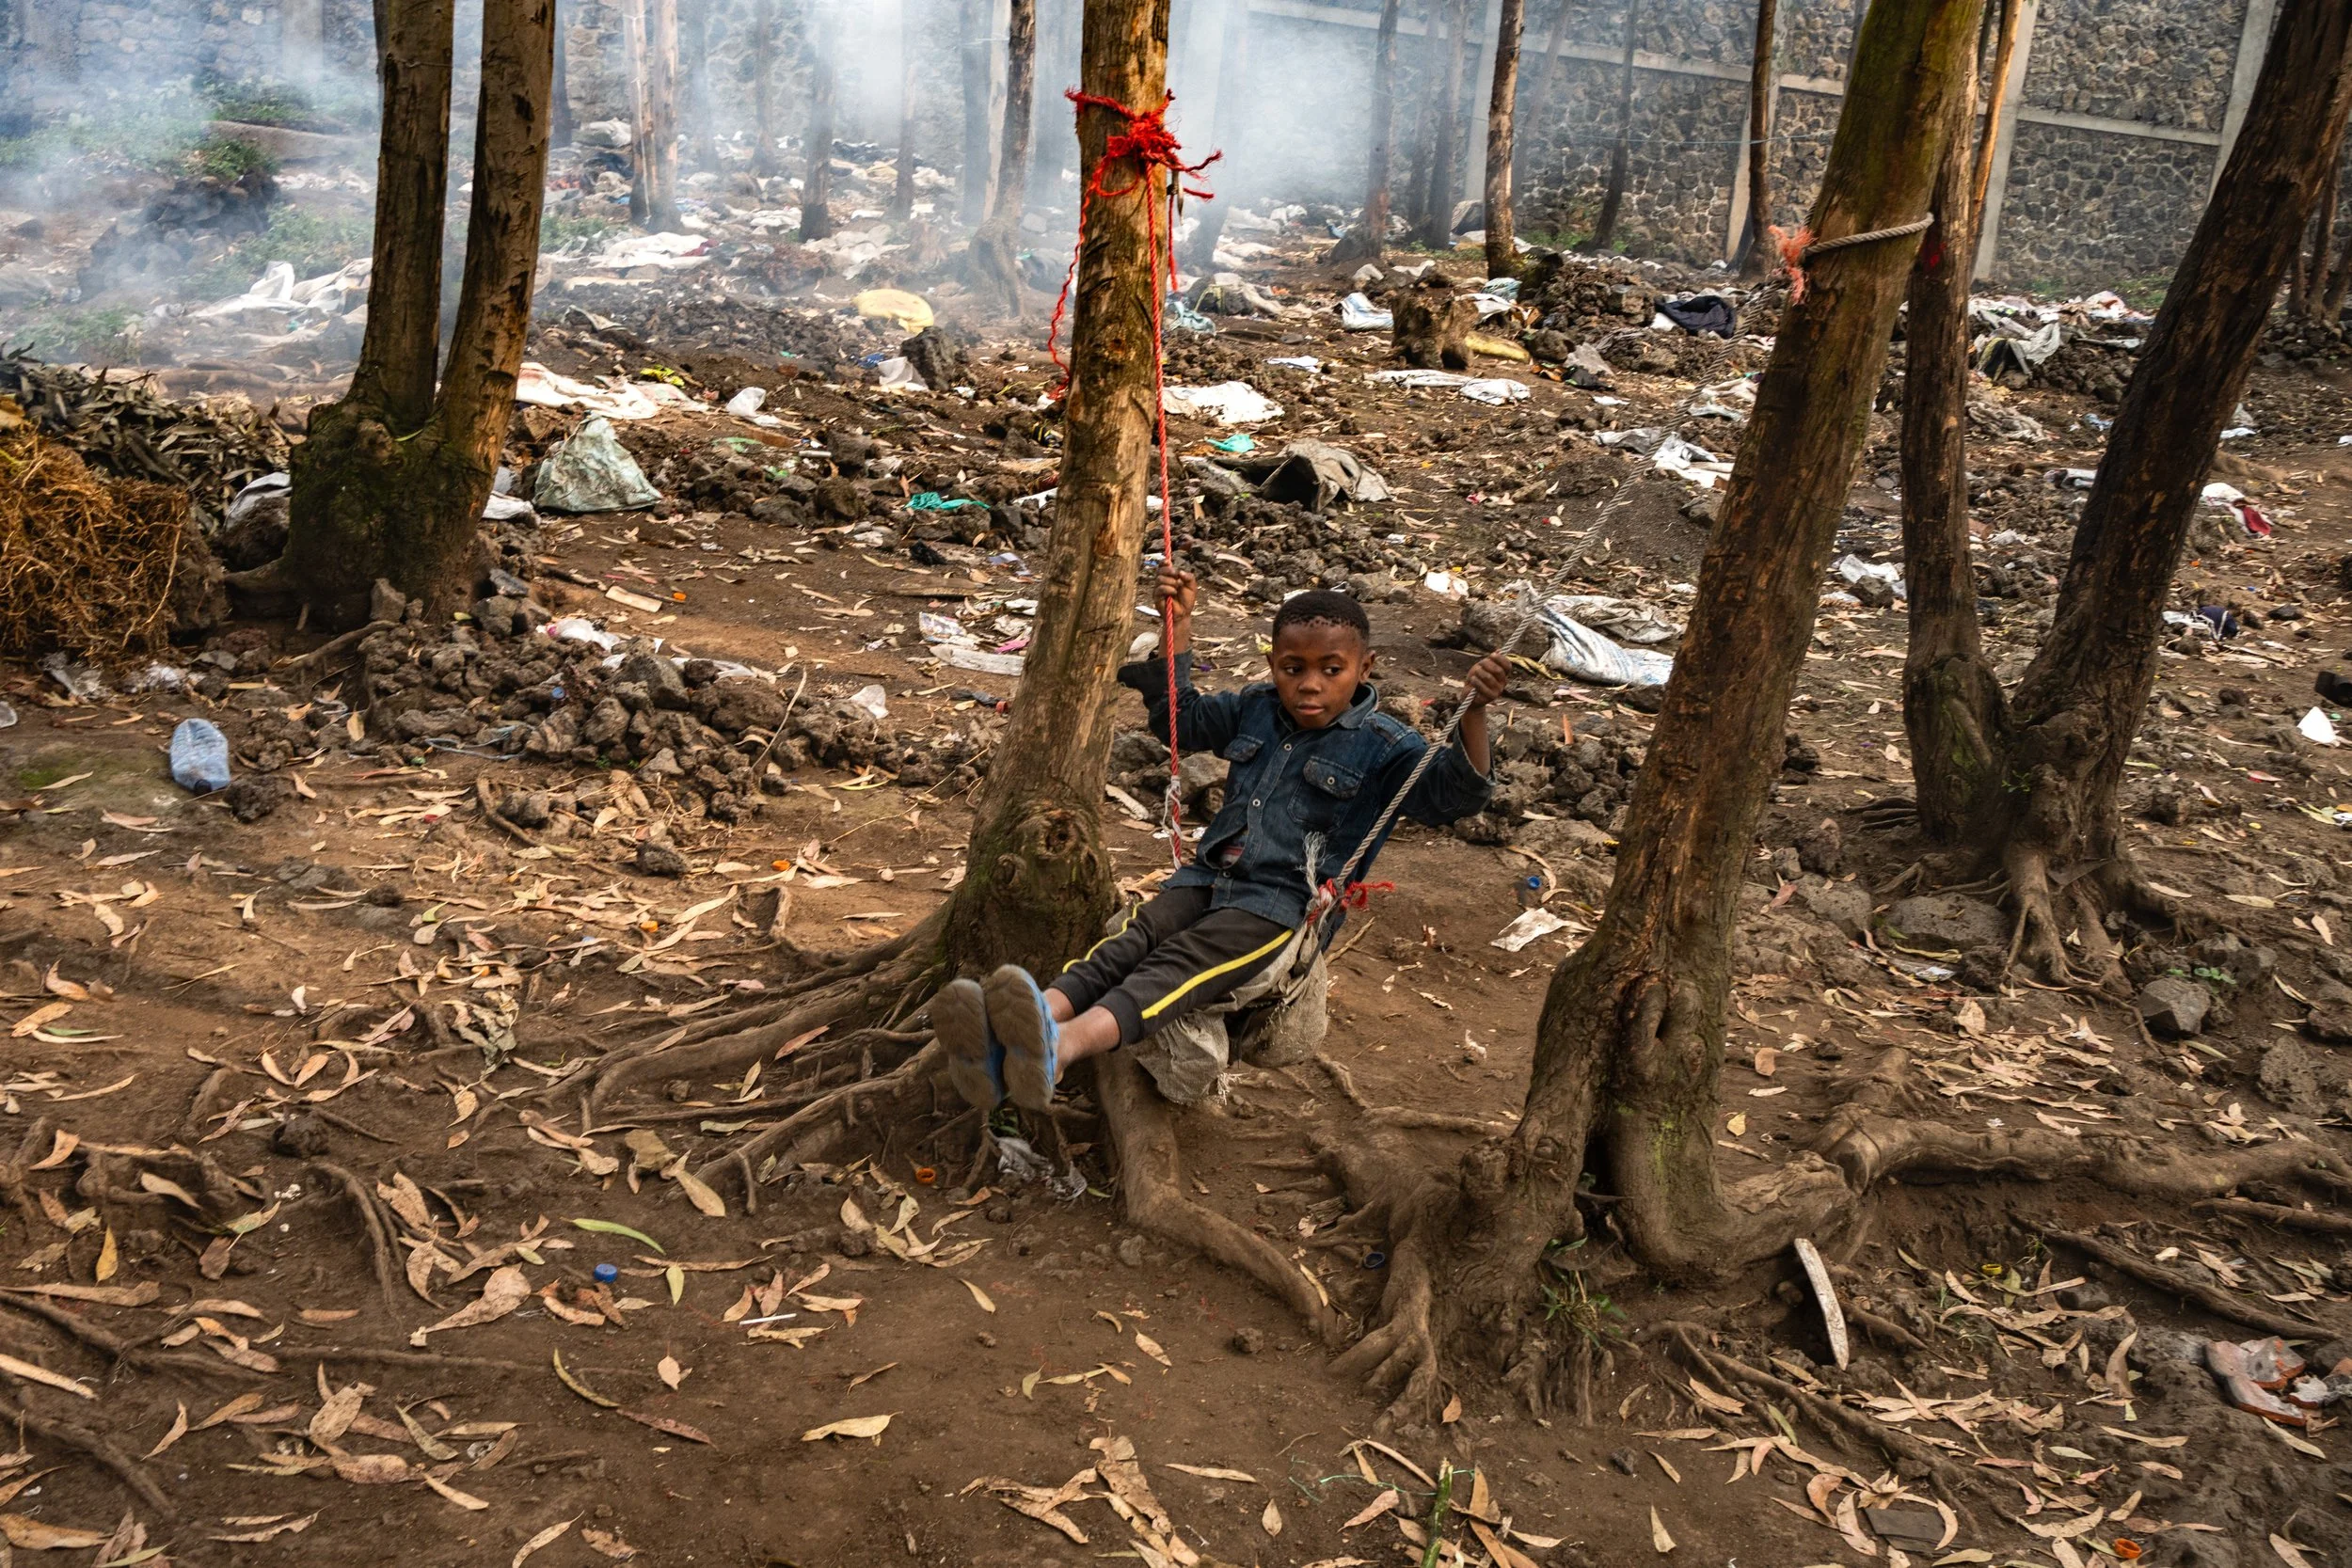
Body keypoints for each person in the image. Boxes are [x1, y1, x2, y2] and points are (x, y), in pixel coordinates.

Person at [939, 567, 1513, 1112]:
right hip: (1209, 878)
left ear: (1366, 668)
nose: (1309, 684)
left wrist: (1474, 712)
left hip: (1281, 906)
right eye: (1292, 668)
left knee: (1177, 966)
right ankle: (1024, 1024)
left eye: (1330, 670)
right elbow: (1179, 721)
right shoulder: (1254, 711)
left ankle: (1062, 1049)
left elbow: (1455, 798)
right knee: (1131, 943)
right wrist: (1179, 623)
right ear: (1272, 664)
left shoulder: (1388, 747)